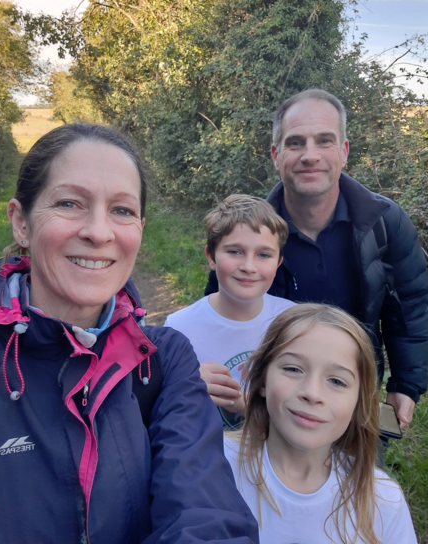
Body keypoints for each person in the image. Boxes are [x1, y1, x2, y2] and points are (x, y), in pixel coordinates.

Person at [0, 124, 259, 544]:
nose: (99, 232)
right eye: (70, 203)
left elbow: (205, 512)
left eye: (122, 211)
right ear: (21, 222)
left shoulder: (164, 360)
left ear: (141, 229)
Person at [206, 89, 428, 428]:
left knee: (361, 481)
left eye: (324, 140)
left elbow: (413, 303)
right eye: (296, 143)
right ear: (276, 155)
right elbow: (217, 308)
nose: (310, 155)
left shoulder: (385, 223)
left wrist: (406, 384)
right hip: (268, 403)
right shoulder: (248, 233)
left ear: (344, 151)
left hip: (354, 399)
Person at [224, 303, 417, 544]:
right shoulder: (210, 466)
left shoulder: (384, 501)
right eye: (293, 368)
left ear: (359, 402)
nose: (312, 393)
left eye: (337, 381)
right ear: (261, 380)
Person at [165, 195, 294, 428]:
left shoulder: (293, 322)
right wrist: (186, 382)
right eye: (234, 251)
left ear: (278, 262)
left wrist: (247, 404)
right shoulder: (178, 328)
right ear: (211, 257)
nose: (248, 266)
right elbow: (161, 407)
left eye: (263, 255)